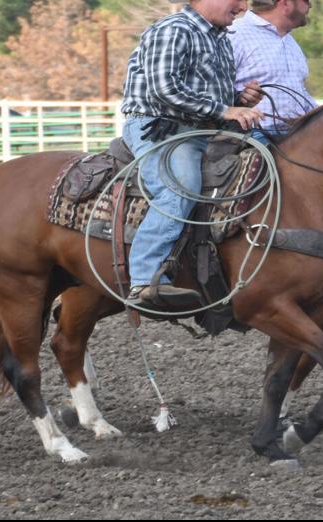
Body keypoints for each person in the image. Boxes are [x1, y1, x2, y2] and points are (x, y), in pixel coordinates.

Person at [119, 0, 267, 312]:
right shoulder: (174, 30)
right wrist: (226, 109)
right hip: (160, 127)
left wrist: (238, 99)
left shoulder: (220, 39)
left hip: (201, 131)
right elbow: (165, 89)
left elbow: (209, 96)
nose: (243, 7)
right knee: (179, 185)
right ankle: (144, 280)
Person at [230, 0, 319, 142]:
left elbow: (300, 92)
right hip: (256, 135)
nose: (310, 6)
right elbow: (216, 94)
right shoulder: (234, 34)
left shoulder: (290, 41)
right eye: (306, 1)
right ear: (286, 4)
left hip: (298, 133)